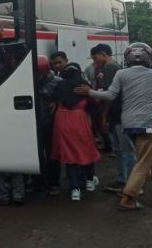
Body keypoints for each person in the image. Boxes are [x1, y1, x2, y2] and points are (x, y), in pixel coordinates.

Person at [75, 42, 152, 211]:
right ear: (148, 57)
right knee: (143, 161)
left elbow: (110, 95)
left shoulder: (121, 73)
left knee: (147, 158)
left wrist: (89, 92)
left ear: (128, 57)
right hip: (147, 124)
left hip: (127, 124)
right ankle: (128, 198)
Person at [51, 63, 100, 201]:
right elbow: (94, 103)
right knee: (87, 150)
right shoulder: (84, 86)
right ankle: (90, 182)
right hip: (80, 121)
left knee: (69, 155)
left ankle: (75, 190)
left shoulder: (60, 86)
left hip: (62, 121)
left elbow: (53, 99)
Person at [91, 44, 135, 193]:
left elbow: (110, 95)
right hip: (119, 113)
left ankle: (129, 182)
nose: (95, 61)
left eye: (96, 57)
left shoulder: (110, 68)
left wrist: (104, 116)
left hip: (118, 114)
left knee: (124, 149)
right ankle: (124, 179)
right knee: (121, 149)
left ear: (103, 54)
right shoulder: (114, 66)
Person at [34, 55, 62, 196]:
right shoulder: (30, 79)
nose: (38, 75)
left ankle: (53, 183)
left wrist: (57, 102)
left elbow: (65, 98)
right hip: (34, 123)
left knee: (52, 154)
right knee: (36, 153)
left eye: (40, 72)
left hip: (50, 123)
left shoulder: (57, 82)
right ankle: (38, 183)